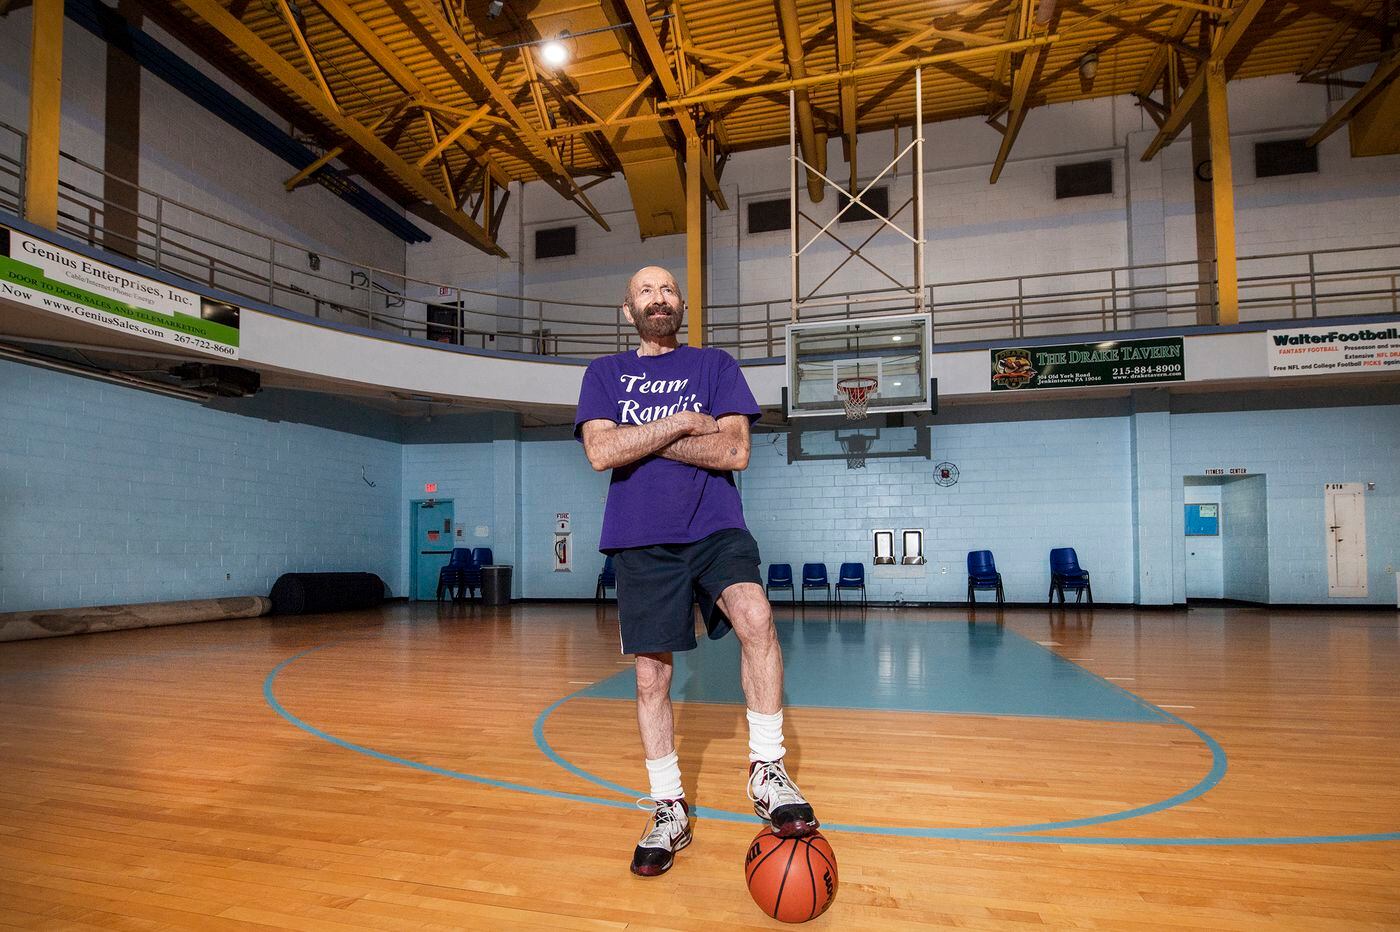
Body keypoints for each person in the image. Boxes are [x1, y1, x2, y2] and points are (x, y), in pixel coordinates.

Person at [574, 266, 818, 877]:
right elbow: (601, 452)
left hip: (715, 527)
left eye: (668, 290)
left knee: (756, 615)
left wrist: (638, 438)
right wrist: (684, 422)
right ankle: (668, 807)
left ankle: (767, 770)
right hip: (639, 539)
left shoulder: (716, 365)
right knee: (651, 677)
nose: (658, 298)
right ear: (628, 309)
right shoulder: (604, 373)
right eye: (645, 291)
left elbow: (734, 450)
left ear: (681, 304)